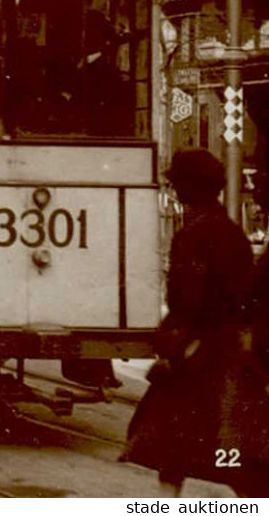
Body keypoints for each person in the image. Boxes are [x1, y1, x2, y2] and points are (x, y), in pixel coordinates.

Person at [124, 148, 265, 496]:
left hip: (197, 354)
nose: (173, 190)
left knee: (175, 443)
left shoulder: (193, 234)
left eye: (177, 184)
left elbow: (186, 299)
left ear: (189, 188)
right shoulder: (233, 234)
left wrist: (171, 347)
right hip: (230, 352)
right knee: (233, 447)